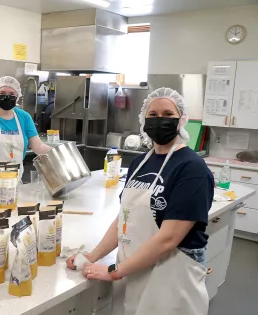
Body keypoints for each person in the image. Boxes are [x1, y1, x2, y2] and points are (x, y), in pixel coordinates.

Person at [67, 87, 213, 314]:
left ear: (181, 120)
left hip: (171, 277)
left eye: (167, 114)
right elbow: (124, 218)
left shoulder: (191, 168)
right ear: (144, 119)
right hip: (133, 271)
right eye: (153, 115)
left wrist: (114, 271)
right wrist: (92, 255)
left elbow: (168, 239)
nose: (160, 120)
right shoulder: (140, 163)